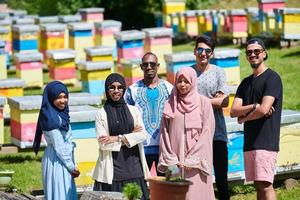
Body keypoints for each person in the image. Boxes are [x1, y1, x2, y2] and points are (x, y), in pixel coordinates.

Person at [230, 38, 282, 200]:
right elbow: (233, 111)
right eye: (249, 52)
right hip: (250, 142)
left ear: (264, 54)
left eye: (256, 51)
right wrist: (254, 106)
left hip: (266, 140)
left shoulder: (272, 78)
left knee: (266, 184)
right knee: (258, 185)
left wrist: (243, 119)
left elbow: (265, 109)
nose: (252, 54)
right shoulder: (245, 83)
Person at [158, 67, 215, 200]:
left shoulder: (204, 103)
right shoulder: (170, 104)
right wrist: (171, 159)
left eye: (186, 81)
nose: (182, 85)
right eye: (179, 81)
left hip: (196, 163)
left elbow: (207, 132)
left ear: (193, 82)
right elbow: (164, 133)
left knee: (196, 194)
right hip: (175, 161)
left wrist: (192, 160)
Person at [92, 73, 150, 200]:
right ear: (107, 90)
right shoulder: (101, 114)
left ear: (124, 89)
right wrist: (130, 137)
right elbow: (103, 143)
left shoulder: (133, 110)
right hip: (112, 172)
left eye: (120, 87)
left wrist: (117, 138)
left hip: (135, 169)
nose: (116, 91)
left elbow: (142, 135)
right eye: (112, 87)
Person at [192, 35, 230, 200]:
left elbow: (224, 101)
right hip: (194, 134)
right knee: (198, 178)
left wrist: (198, 100)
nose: (203, 53)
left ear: (212, 54)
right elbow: (183, 101)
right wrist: (212, 101)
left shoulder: (219, 72)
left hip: (217, 132)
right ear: (195, 51)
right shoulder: (189, 73)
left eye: (208, 51)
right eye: (200, 49)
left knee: (222, 179)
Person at [125, 52, 173, 174]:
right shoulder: (132, 90)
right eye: (145, 65)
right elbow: (126, 116)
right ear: (141, 67)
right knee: (141, 183)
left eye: (152, 64)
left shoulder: (169, 89)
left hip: (163, 146)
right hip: (140, 147)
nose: (149, 67)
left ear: (158, 66)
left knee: (164, 184)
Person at [33, 81, 80, 200]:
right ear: (51, 97)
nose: (63, 101)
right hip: (58, 162)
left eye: (65, 97)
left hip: (61, 159)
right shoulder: (51, 118)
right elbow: (59, 147)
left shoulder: (58, 114)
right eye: (59, 97)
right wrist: (72, 167)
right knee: (61, 194)